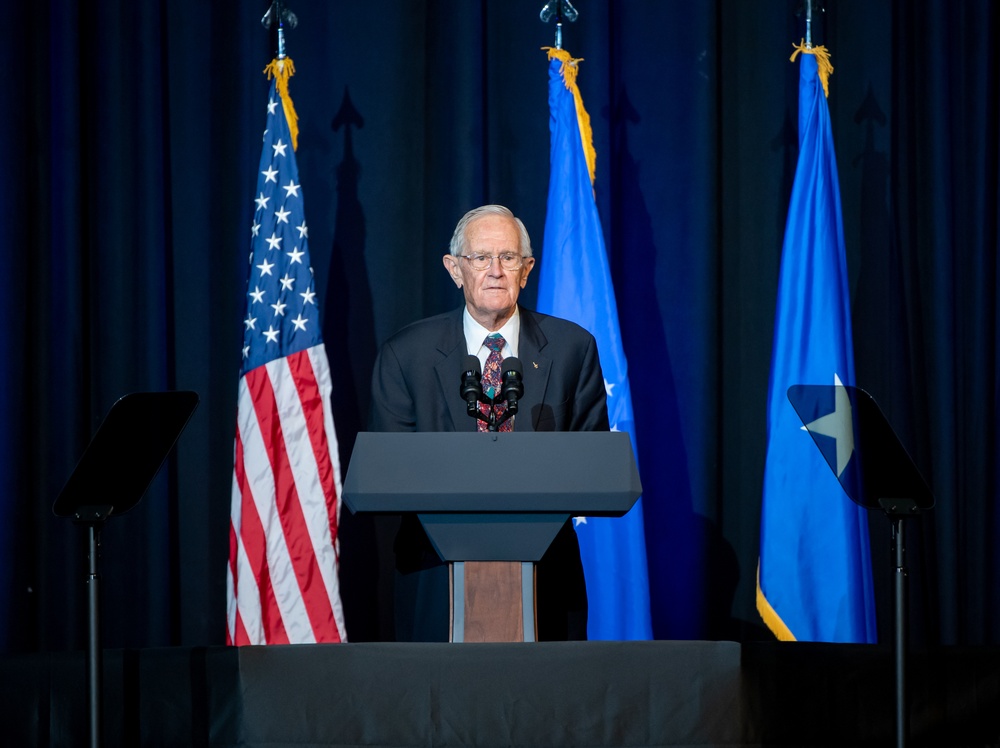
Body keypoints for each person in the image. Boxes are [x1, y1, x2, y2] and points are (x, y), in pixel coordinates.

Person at [368, 204, 609, 641]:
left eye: (508, 257)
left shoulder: (573, 348)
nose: (495, 271)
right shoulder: (407, 355)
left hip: (546, 581)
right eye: (480, 258)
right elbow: (387, 473)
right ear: (455, 269)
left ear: (527, 268)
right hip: (434, 578)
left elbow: (593, 465)